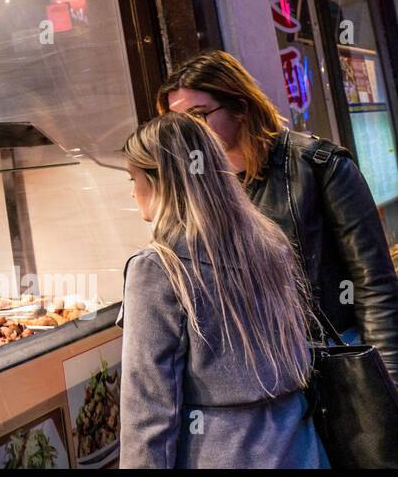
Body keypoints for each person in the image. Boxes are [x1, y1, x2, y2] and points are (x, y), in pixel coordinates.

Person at [159, 50, 398, 383]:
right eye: (181, 124)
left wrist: (388, 381)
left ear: (240, 107)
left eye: (199, 116)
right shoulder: (193, 186)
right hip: (255, 374)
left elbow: (373, 282)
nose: (190, 133)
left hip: (329, 357)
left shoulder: (318, 165)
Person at [119, 112, 327, 468]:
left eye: (133, 178)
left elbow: (149, 408)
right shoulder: (270, 243)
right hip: (299, 447)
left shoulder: (158, 267)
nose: (133, 192)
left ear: (159, 181)